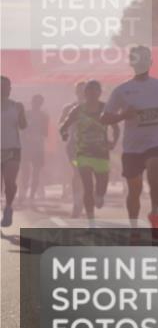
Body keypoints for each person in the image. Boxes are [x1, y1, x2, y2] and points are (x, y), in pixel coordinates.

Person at [101, 46, 158, 240]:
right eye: (137, 60)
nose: (141, 63)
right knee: (134, 189)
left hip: (156, 141)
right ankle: (134, 227)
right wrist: (123, 115)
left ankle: (154, 212)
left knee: (156, 171)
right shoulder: (122, 90)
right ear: (132, 63)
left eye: (145, 59)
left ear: (150, 62)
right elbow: (104, 118)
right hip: (132, 146)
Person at [59, 80, 119, 226]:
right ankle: (90, 219)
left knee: (101, 184)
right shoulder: (77, 109)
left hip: (101, 153)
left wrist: (113, 142)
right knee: (87, 185)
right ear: (84, 93)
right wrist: (64, 134)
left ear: (100, 92)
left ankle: (99, 195)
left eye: (95, 91)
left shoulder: (105, 108)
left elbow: (116, 128)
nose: (92, 93)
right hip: (83, 152)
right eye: (89, 91)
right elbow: (63, 126)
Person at [1, 76, 29, 227]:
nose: (4, 89)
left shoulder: (16, 106)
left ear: (10, 89)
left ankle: (8, 207)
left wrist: (22, 113)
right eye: (1, 86)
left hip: (12, 149)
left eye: (6, 86)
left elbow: (23, 126)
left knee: (10, 183)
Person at [58, 80, 86, 217]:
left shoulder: (96, 107)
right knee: (78, 173)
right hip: (74, 145)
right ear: (76, 92)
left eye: (84, 90)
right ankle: (77, 203)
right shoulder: (69, 107)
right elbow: (61, 124)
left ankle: (86, 200)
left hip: (92, 145)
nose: (82, 92)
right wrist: (64, 134)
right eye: (79, 90)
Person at [22, 94, 50, 203]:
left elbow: (45, 132)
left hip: (37, 146)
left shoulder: (44, 116)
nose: (36, 104)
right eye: (35, 102)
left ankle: (31, 194)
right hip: (27, 146)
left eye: (38, 102)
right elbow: (21, 129)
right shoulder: (26, 114)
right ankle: (25, 191)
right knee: (26, 170)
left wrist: (36, 135)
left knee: (36, 171)